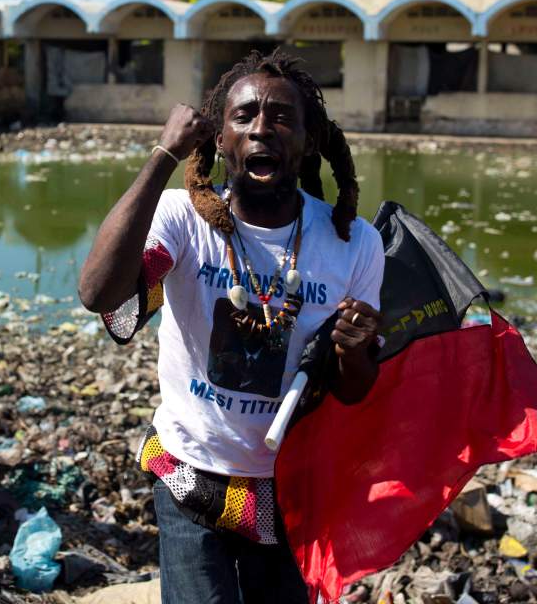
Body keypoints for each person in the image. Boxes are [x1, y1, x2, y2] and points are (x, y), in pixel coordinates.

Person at [79, 49, 386, 603]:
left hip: (291, 482)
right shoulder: (184, 218)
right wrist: (163, 155)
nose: (261, 130)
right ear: (220, 140)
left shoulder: (352, 240)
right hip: (191, 472)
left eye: (282, 118)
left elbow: (353, 388)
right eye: (243, 117)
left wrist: (356, 349)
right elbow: (100, 294)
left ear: (309, 141)